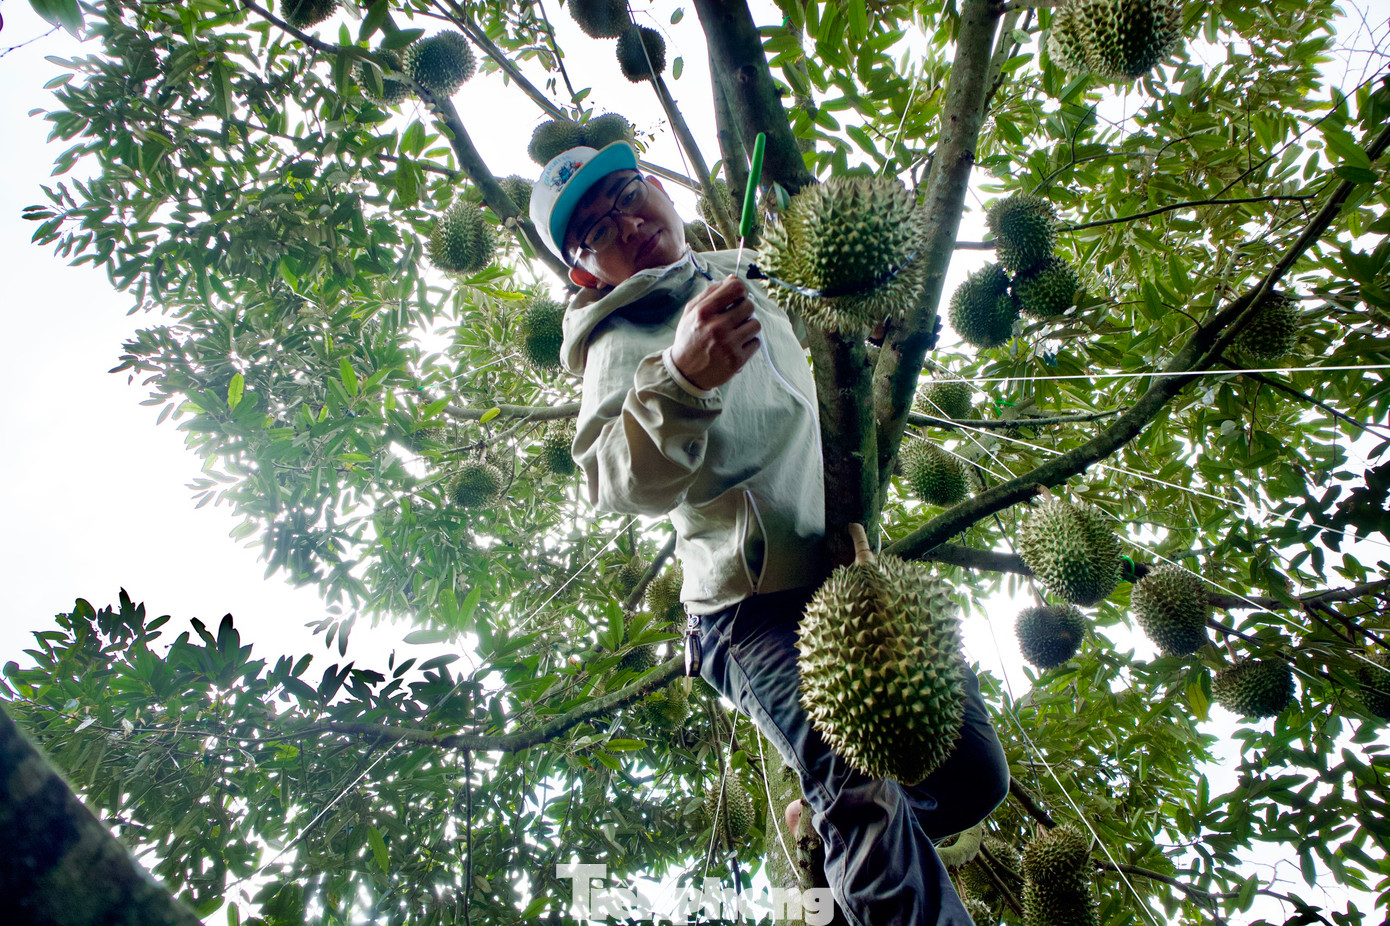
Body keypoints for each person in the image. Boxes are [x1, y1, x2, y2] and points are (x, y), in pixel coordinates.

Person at [531, 140, 1010, 926]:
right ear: (587, 272)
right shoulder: (617, 338)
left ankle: (823, 828)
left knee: (972, 779)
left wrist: (871, 320)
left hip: (850, 572)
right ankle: (847, 828)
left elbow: (833, 334)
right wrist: (683, 376)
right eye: (595, 232)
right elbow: (612, 479)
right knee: (863, 791)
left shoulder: (754, 272)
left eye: (623, 195)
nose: (625, 224)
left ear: (653, 186)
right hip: (750, 610)